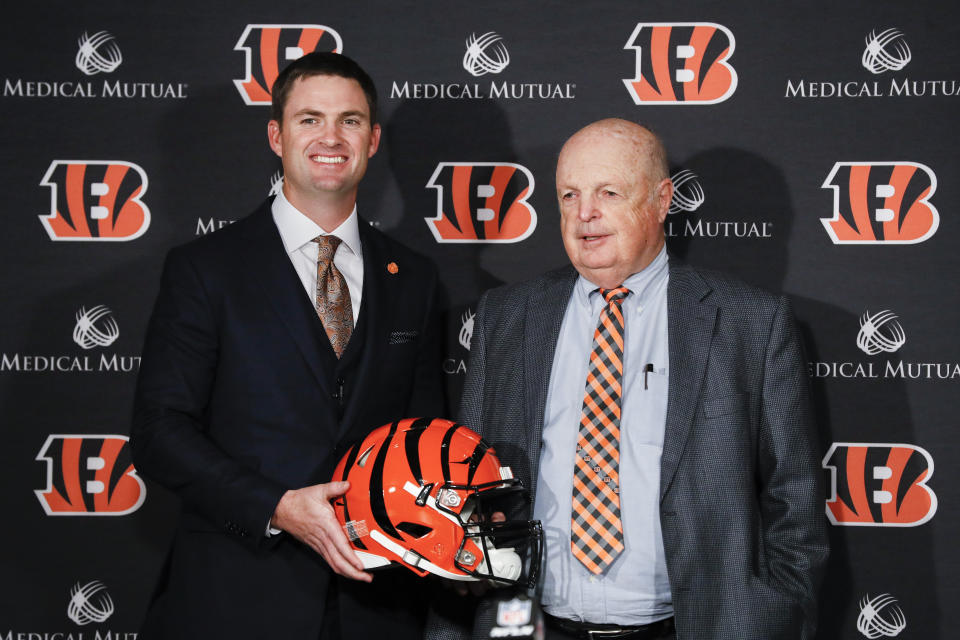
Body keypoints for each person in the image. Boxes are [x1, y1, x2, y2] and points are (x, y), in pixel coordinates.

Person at [427, 119, 828, 640]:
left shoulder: (750, 321)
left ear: (663, 201)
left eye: (608, 193)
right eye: (569, 195)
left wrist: (770, 618)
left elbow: (794, 500)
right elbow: (466, 479)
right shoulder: (508, 316)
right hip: (531, 624)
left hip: (690, 627)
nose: (585, 213)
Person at [131, 52, 444, 639]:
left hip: (377, 603)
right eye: (310, 119)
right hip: (237, 597)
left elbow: (424, 436)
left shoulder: (416, 278)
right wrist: (277, 506)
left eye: (350, 121)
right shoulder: (205, 269)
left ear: (373, 140)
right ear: (276, 135)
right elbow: (159, 431)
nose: (331, 137)